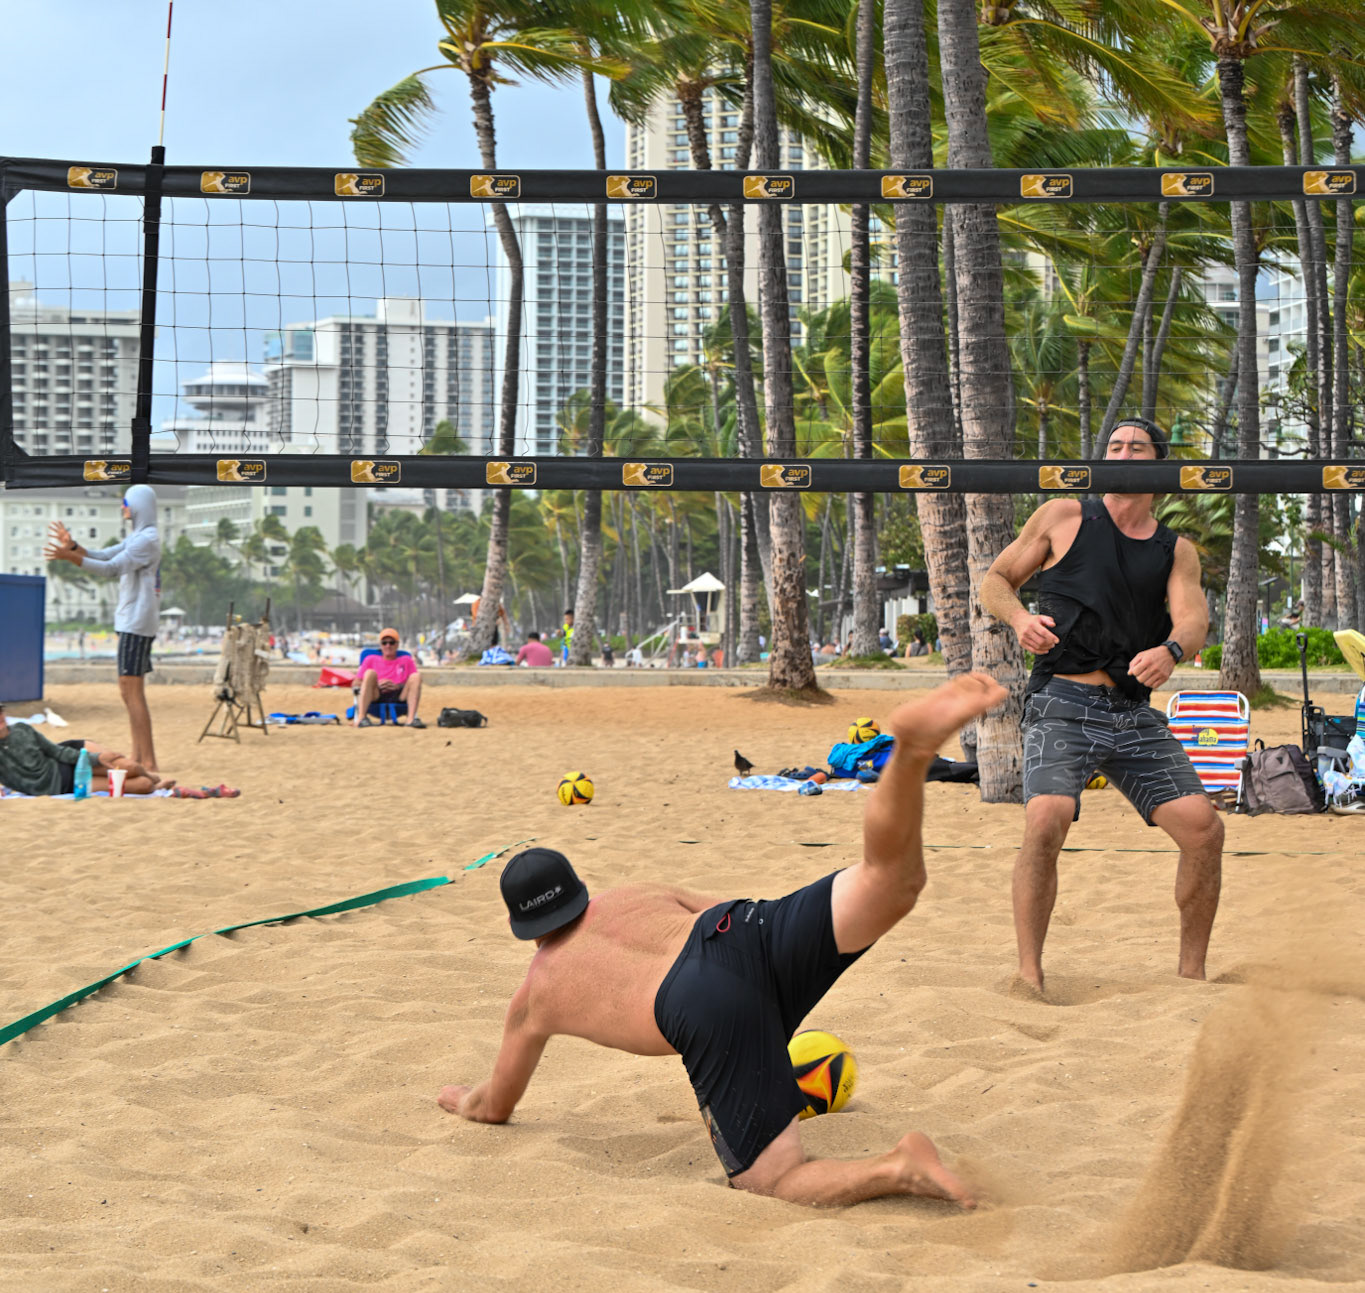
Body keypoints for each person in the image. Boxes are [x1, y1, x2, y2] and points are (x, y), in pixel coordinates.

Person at [438, 674, 1005, 1206]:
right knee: (889, 880)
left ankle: (899, 1167)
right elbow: (722, 913)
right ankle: (908, 755)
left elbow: (494, 1107)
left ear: (526, 931)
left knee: (775, 1178)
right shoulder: (632, 894)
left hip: (697, 1002)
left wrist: (462, 1099)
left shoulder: (536, 994)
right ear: (578, 892)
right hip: (738, 931)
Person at [979, 415, 1223, 994]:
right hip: (1062, 698)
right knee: (1045, 818)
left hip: (1131, 711)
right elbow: (995, 579)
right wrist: (1018, 617)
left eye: (1137, 447)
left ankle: (1192, 976)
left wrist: (1171, 650)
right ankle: (1029, 975)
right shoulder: (1064, 514)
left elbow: (1193, 619)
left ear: (1159, 468)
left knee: (1204, 830)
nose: (1123, 452)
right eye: (1114, 445)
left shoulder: (1174, 549)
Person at [45, 485, 162, 774]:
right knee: (129, 691)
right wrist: (73, 547)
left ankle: (147, 760)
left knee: (131, 691)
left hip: (136, 621)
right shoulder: (138, 537)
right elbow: (101, 553)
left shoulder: (146, 540)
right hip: (132, 620)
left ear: (138, 506)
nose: (123, 508)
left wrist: (70, 558)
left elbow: (110, 568)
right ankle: (139, 755)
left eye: (126, 503)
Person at [0, 703, 163, 796]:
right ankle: (158, 787)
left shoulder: (22, 729)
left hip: (68, 756)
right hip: (66, 784)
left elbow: (57, 751)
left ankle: (155, 778)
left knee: (131, 767)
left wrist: (95, 758)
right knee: (144, 786)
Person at [353, 628, 425, 727]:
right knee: (370, 673)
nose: (388, 645)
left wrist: (398, 687)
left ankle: (410, 719)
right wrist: (376, 685)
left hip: (399, 695)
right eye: (384, 643)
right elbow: (356, 683)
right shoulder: (370, 659)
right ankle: (361, 718)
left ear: (397, 644)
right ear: (380, 645)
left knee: (416, 676)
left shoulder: (406, 660)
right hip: (375, 695)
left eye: (391, 642)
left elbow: (414, 683)